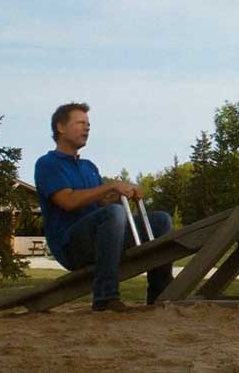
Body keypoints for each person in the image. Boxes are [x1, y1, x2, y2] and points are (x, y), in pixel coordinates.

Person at [34, 102, 173, 312]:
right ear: (60, 127)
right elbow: (68, 201)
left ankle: (160, 295)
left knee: (161, 220)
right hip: (71, 246)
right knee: (113, 213)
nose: (87, 128)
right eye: (80, 123)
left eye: (88, 124)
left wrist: (124, 193)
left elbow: (102, 205)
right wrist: (110, 186)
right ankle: (105, 297)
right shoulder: (47, 163)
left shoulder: (88, 166)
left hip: (101, 237)